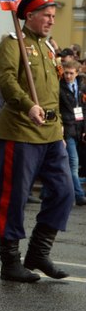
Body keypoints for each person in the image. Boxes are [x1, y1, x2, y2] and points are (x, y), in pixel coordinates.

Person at [0, 0, 74, 283]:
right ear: (30, 15)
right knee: (14, 197)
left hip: (52, 133)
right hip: (22, 130)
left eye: (53, 15)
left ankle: (39, 252)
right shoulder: (12, 45)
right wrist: (28, 106)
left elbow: (55, 89)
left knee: (65, 192)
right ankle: (10, 260)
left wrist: (63, 124)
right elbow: (7, 82)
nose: (52, 20)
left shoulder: (49, 47)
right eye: (47, 15)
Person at [59, 59, 86, 206]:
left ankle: (47, 191)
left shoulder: (81, 86)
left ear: (76, 73)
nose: (68, 76)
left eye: (71, 73)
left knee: (63, 162)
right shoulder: (59, 87)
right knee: (73, 163)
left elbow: (84, 108)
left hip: (78, 127)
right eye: (66, 73)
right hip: (67, 127)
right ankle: (78, 194)